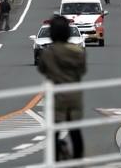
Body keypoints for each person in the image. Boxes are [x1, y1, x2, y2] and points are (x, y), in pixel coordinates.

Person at [37, 15, 86, 161]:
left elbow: (42, 69)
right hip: (74, 94)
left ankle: (55, 160)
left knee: (55, 131)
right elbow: (82, 71)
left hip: (56, 95)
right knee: (75, 130)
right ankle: (78, 159)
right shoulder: (78, 52)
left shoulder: (48, 53)